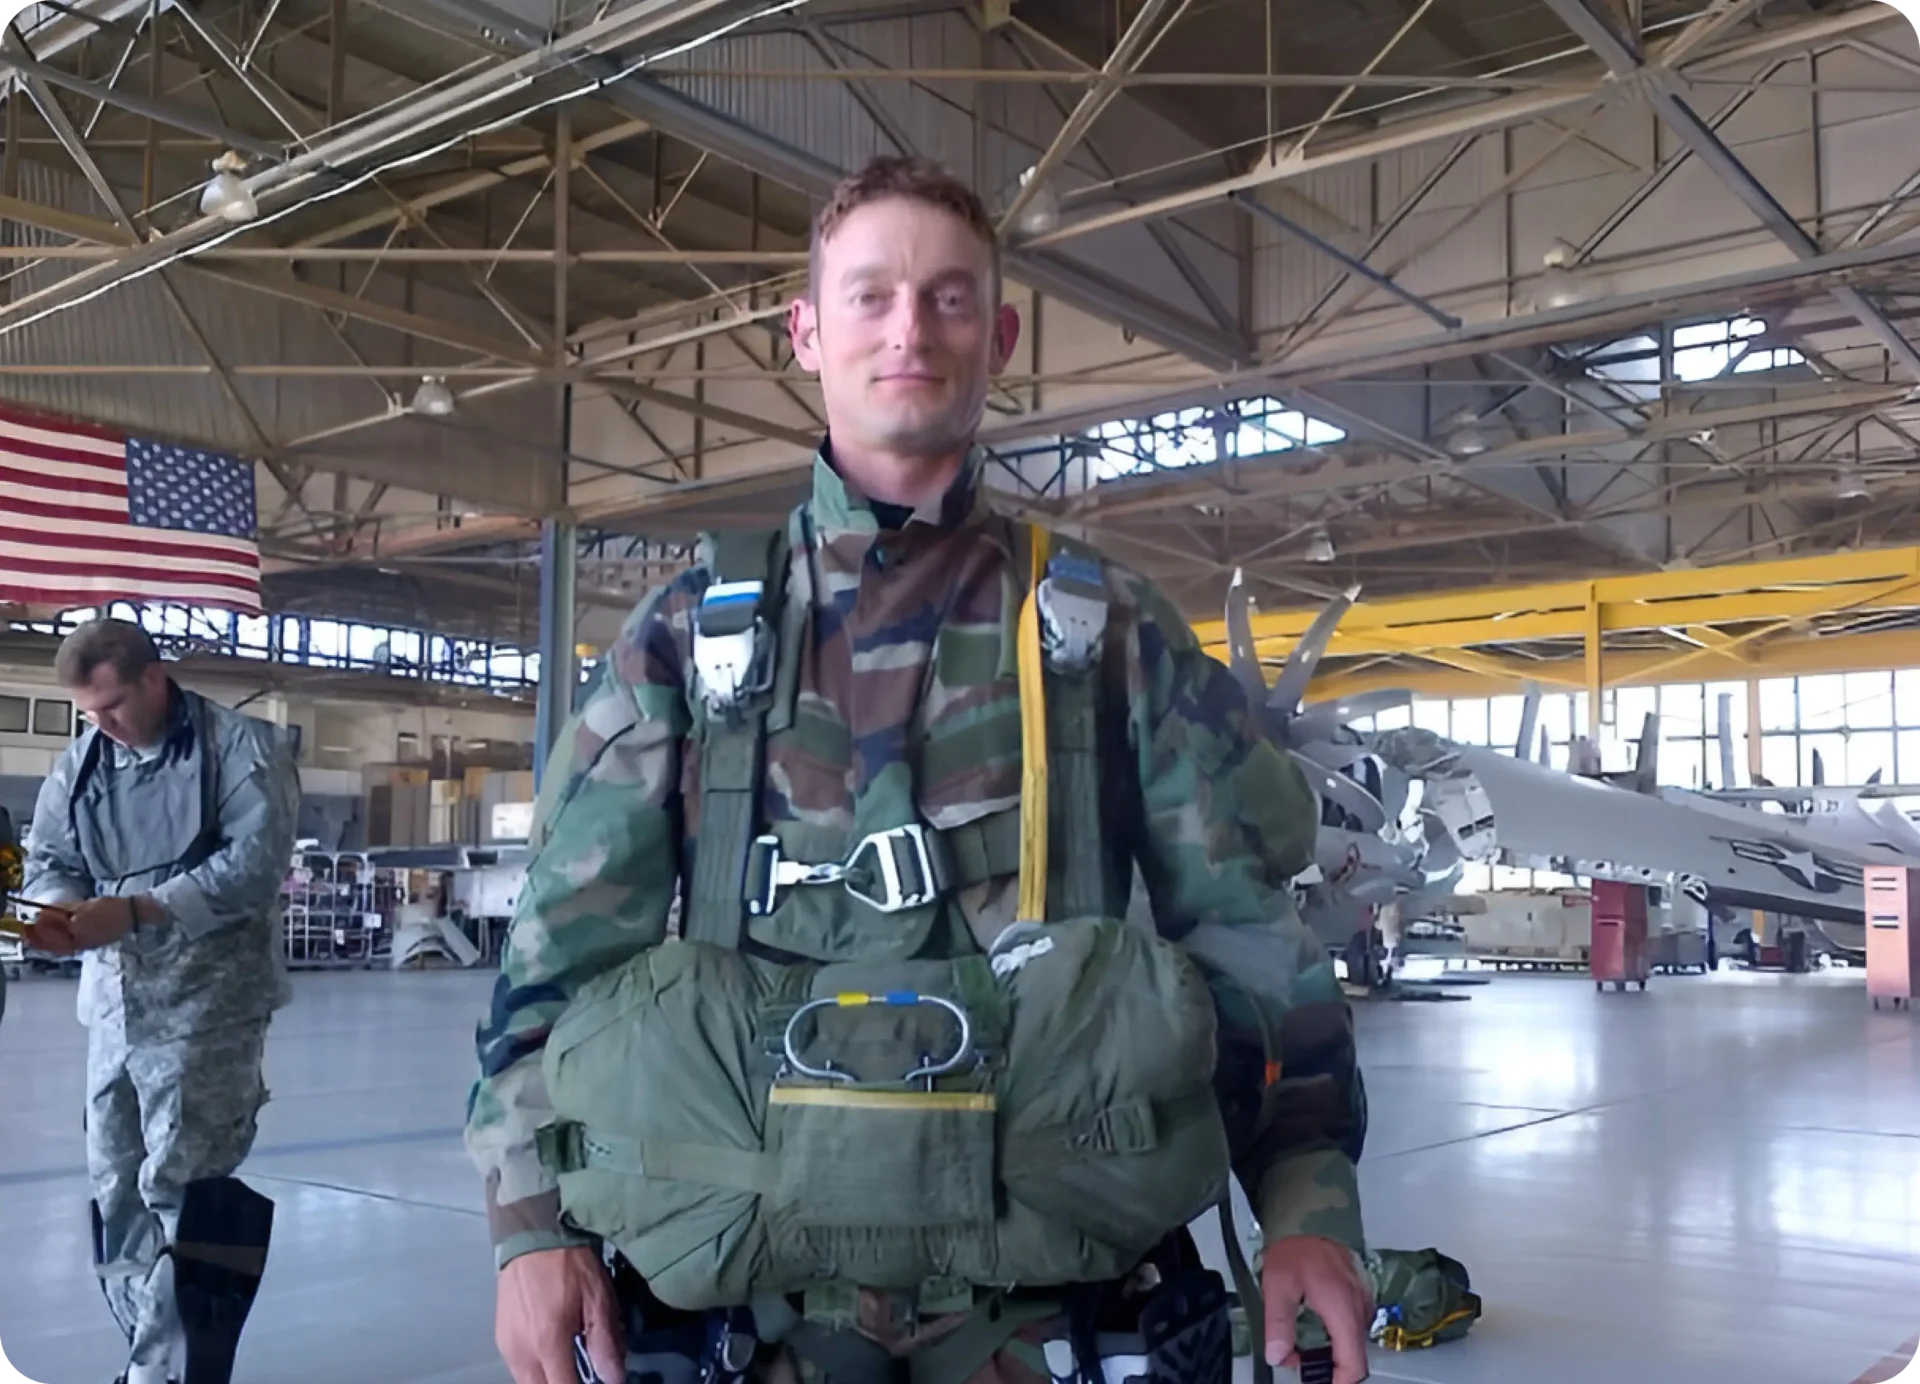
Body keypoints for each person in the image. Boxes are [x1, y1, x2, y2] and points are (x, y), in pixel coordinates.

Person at [464, 155, 1376, 1384]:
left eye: (949, 299)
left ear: (997, 334)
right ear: (806, 329)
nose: (910, 330)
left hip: (1050, 1308)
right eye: (870, 296)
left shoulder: (1108, 630)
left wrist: (1309, 1203)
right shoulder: (685, 635)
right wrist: (532, 1226)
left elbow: (1251, 939)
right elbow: (559, 956)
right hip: (765, 1307)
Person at [20, 618, 298, 1384]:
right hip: (113, 1005)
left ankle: (166, 1374)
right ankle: (153, 1360)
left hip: (210, 1004)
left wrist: (141, 909)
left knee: (184, 1188)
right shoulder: (81, 764)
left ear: (152, 678)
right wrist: (56, 909)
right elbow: (51, 856)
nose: (100, 724)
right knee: (116, 1191)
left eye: (110, 705)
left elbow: (254, 866)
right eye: (87, 712)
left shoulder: (245, 751)